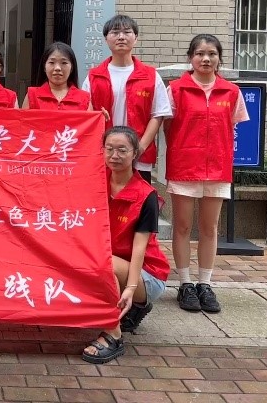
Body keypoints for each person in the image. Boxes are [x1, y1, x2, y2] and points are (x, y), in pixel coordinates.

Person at [164, 34, 248, 314]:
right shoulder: (176, 90)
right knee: (182, 226)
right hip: (184, 165)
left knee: (210, 227)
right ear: (191, 58)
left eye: (212, 54)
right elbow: (167, 126)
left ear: (219, 58)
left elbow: (232, 127)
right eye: (200, 53)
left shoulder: (231, 92)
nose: (206, 59)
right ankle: (185, 283)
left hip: (218, 167)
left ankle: (205, 283)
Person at [82, 126, 170, 364]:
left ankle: (113, 335)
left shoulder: (146, 195)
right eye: (109, 149)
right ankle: (133, 308)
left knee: (102, 264)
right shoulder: (94, 183)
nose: (115, 155)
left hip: (146, 275)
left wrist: (131, 288)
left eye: (122, 150)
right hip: (111, 263)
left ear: (135, 153)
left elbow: (140, 248)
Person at [84, 15, 172, 183]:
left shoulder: (150, 75)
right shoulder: (94, 76)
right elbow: (86, 113)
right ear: (106, 38)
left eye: (127, 32)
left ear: (136, 38)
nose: (121, 37)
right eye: (115, 32)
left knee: (138, 197)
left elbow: (158, 115)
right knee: (104, 196)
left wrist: (140, 147)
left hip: (140, 155)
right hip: (104, 154)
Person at [22, 42, 90, 110]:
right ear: (44, 67)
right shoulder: (32, 95)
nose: (57, 68)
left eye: (64, 63)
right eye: (52, 62)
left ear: (72, 68)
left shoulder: (85, 99)